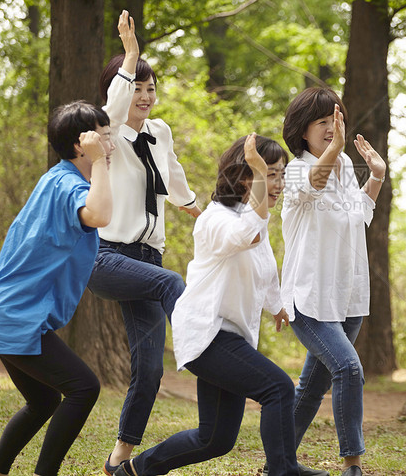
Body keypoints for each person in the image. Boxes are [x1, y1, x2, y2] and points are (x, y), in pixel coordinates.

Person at [113, 133, 298, 476]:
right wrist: (260, 180)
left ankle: (133, 470)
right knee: (278, 388)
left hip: (230, 337)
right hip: (208, 334)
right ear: (245, 177)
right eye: (271, 173)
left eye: (280, 174)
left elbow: (265, 266)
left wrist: (277, 305)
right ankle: (284, 472)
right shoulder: (214, 219)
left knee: (214, 438)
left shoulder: (252, 215)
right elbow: (243, 237)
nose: (278, 183)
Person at [88, 11, 200, 475]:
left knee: (150, 369)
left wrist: (196, 207)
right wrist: (130, 55)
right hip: (108, 257)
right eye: (138, 87)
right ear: (121, 90)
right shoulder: (108, 135)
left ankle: (119, 459)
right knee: (173, 283)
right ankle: (207, 354)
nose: (147, 96)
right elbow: (112, 108)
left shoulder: (161, 133)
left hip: (147, 262)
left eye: (151, 88)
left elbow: (174, 181)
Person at [0, 101, 115, 476]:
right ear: (79, 146)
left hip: (5, 309)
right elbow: (99, 214)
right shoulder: (68, 183)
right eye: (103, 138)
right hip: (14, 312)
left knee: (44, 400)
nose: (110, 146)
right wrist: (99, 161)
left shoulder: (58, 178)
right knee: (84, 388)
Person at [278, 87, 387, 476]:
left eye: (334, 120)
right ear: (302, 130)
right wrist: (336, 147)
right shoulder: (294, 170)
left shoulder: (344, 169)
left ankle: (279, 462)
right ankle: (353, 464)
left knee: (311, 388)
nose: (329, 128)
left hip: (347, 297)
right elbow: (313, 183)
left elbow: (361, 215)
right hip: (308, 298)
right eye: (322, 122)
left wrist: (376, 176)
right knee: (348, 368)